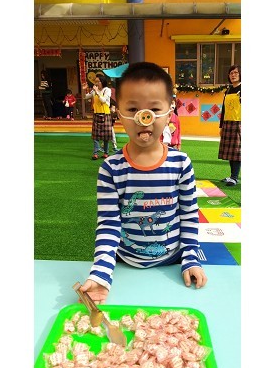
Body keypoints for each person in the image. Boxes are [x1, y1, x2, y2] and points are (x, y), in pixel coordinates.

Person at [79, 62, 208, 305]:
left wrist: (190, 258)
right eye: (133, 109)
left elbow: (189, 215)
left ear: (169, 113)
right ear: (119, 114)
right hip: (125, 261)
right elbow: (108, 224)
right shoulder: (111, 168)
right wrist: (101, 274)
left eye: (154, 109)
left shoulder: (181, 163)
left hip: (174, 261)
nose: (143, 118)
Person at [218, 64, 241, 186]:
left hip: (239, 123)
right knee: (231, 152)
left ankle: (235, 177)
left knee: (237, 152)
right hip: (228, 123)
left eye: (236, 72)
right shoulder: (228, 90)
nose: (233, 75)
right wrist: (221, 126)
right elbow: (224, 109)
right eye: (231, 73)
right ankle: (232, 176)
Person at [83, 74, 113, 160]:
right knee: (95, 136)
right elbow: (85, 97)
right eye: (95, 81)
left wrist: (97, 92)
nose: (96, 83)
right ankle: (95, 153)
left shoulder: (107, 90)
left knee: (106, 136)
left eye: (97, 81)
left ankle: (106, 153)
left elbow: (103, 100)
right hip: (96, 114)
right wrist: (84, 89)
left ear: (102, 82)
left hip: (105, 114)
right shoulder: (94, 91)